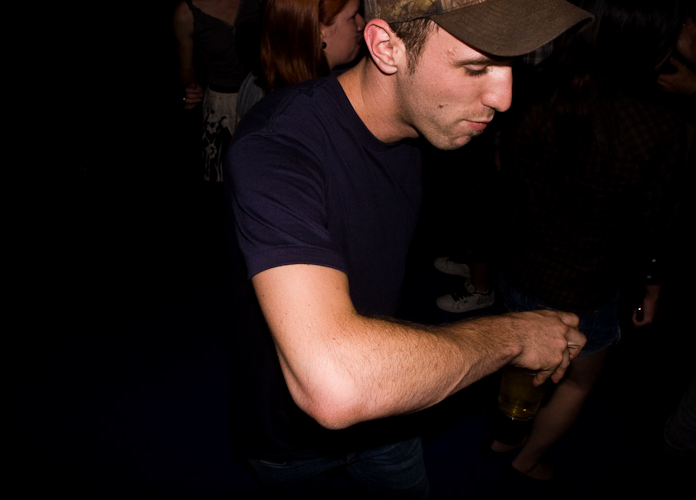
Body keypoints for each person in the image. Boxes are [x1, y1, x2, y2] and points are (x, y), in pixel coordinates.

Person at [225, 0, 593, 496]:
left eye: (511, 65)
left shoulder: (424, 125)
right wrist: (514, 336)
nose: (504, 97)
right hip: (289, 436)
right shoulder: (277, 146)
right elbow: (335, 384)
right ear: (385, 47)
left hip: (392, 410)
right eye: (476, 67)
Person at [490, 0, 688, 482]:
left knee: (520, 359)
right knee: (577, 383)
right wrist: (652, 286)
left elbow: (503, 171)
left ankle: (504, 437)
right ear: (649, 44)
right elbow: (655, 222)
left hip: (519, 264)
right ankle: (524, 460)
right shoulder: (656, 123)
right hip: (586, 288)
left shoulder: (535, 88)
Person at [173, 0, 260, 182]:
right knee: (220, 175)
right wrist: (191, 88)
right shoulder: (186, 13)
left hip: (260, 95)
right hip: (221, 105)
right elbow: (186, 69)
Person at [236, 0, 365, 122]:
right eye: (353, 17)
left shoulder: (256, 82)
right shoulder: (309, 106)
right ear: (320, 32)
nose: (362, 23)